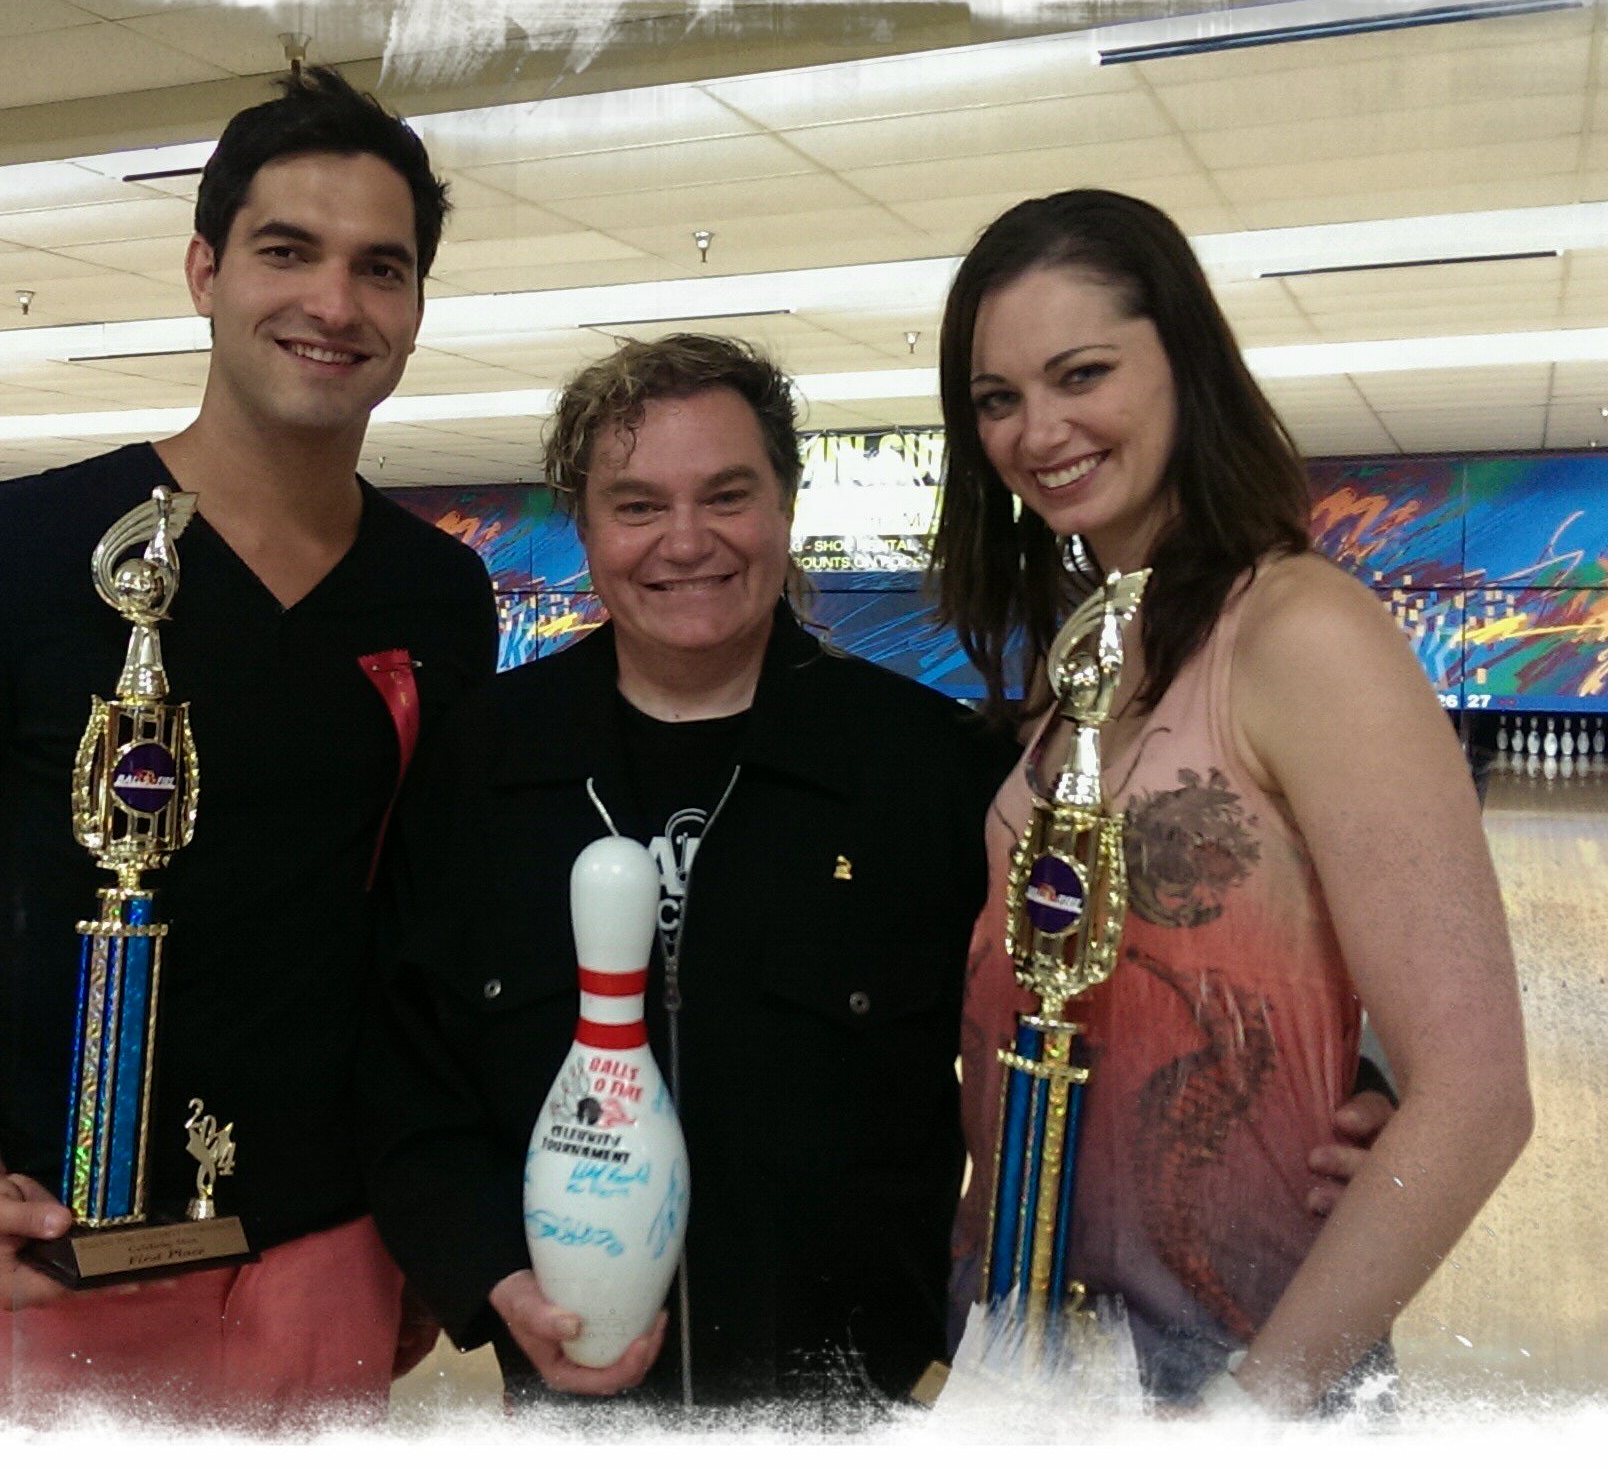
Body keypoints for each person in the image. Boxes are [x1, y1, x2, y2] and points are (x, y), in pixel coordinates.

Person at [360, 334, 1399, 1419]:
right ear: (584, 523)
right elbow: (403, 1060)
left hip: (861, 1402)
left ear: (786, 502)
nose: (686, 540)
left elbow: (1132, 976)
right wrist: (490, 1271)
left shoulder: (933, 773)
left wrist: (1346, 1085)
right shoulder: (476, 766)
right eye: (636, 504)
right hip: (565, 1391)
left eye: (728, 494)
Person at [0, 66, 494, 1427]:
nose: (334, 303)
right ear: (204, 268)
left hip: (330, 1245)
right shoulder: (17, 552)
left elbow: (430, 929)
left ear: (416, 307)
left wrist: (430, 1210)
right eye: (286, 251)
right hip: (55, 1253)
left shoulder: (439, 596)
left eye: (383, 268)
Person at [933, 190, 1534, 1417]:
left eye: (1080, 372)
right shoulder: (1086, 661)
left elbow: (1476, 1096)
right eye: (998, 398)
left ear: (1182, 362)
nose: (1037, 430)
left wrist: (1250, 1416)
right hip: (1027, 1369)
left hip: (1235, 1382)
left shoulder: (1303, 631)